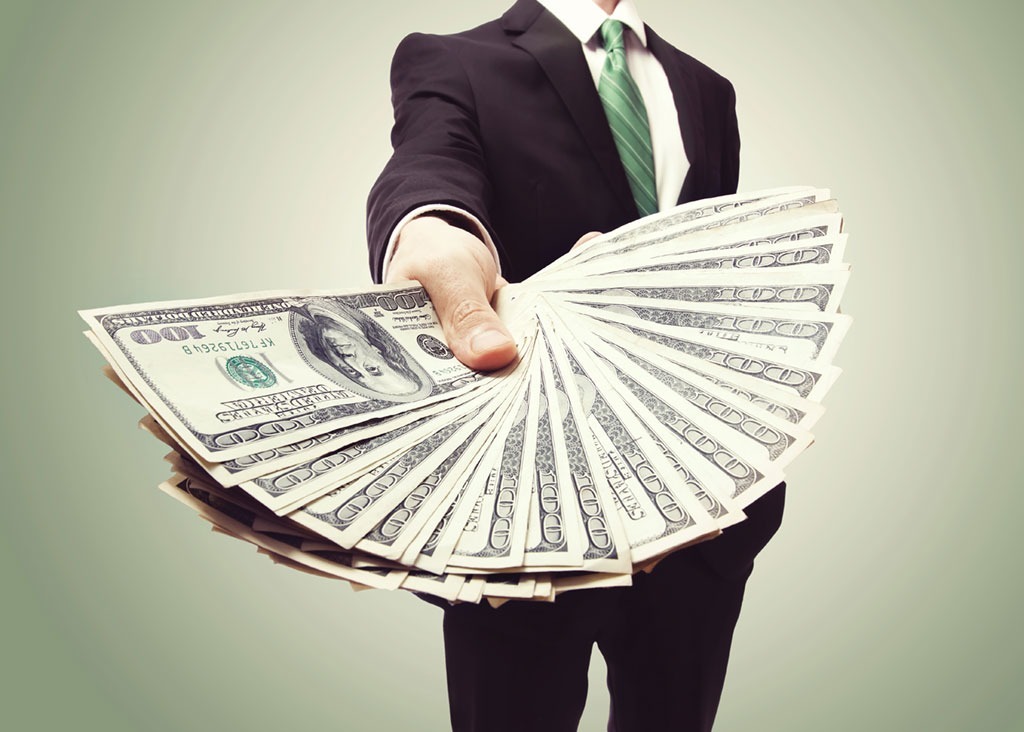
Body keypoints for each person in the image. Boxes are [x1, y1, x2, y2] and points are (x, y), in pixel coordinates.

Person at [366, 1, 786, 729]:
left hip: (696, 507)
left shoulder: (706, 88)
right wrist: (431, 224)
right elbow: (428, 163)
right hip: (530, 506)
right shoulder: (451, 58)